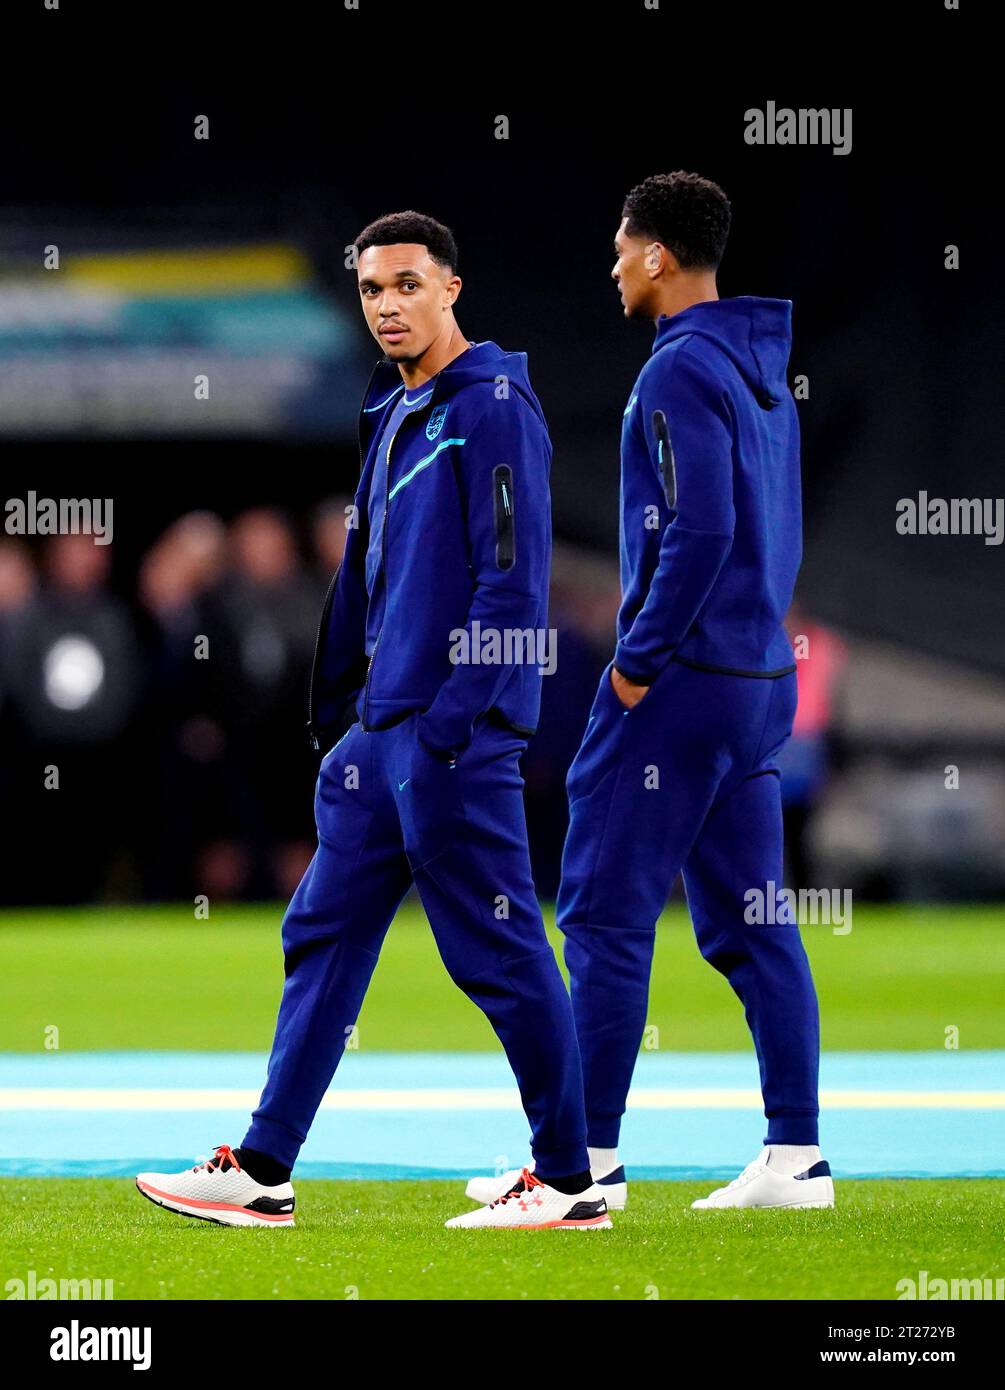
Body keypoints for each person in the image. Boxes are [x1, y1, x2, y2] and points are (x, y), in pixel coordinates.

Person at [136, 210, 611, 1231]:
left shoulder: (489, 404)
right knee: (321, 934)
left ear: (451, 286)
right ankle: (264, 1166)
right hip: (379, 740)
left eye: (407, 284)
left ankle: (569, 1180)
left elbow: (514, 586)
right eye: (370, 289)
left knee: (499, 948)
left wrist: (446, 726)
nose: (388, 305)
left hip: (449, 738)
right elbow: (367, 579)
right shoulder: (397, 410)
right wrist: (348, 719)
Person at [468, 172, 833, 1212]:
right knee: (754, 919)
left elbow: (703, 529)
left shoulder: (678, 371)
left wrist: (635, 659)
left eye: (623, 247)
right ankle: (796, 1156)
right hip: (759, 678)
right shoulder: (762, 367)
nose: (615, 265)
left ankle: (582, 1168)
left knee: (602, 916)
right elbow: (767, 529)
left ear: (660, 256)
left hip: (680, 682)